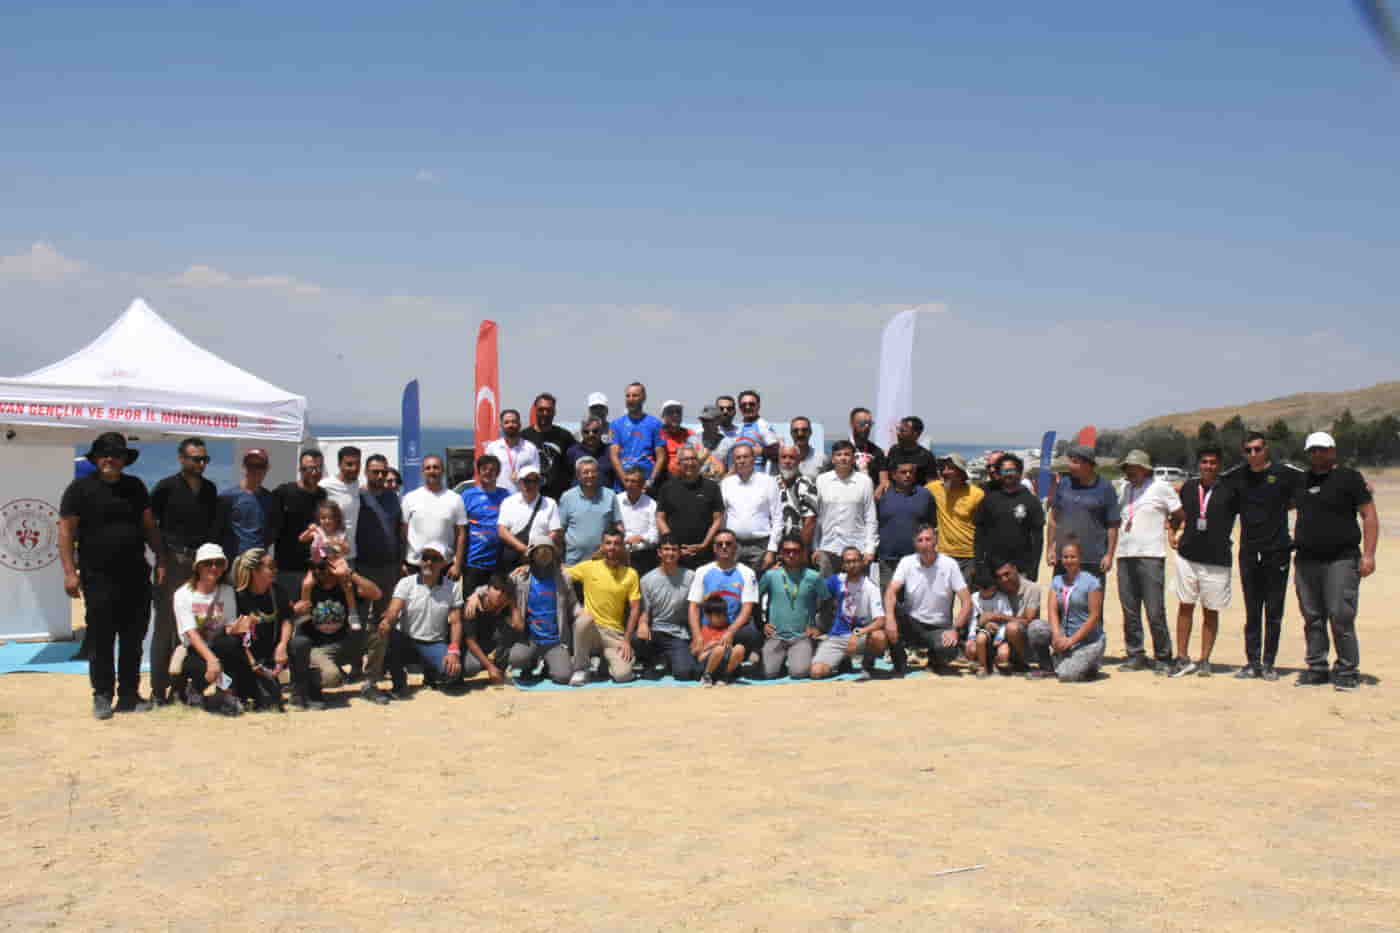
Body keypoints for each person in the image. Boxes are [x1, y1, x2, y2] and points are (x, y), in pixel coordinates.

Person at [59, 432, 165, 719]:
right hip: (97, 577)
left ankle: (129, 695)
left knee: (133, 639)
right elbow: (66, 531)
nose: (110, 459)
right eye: (104, 454)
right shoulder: (79, 489)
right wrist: (69, 572)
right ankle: (103, 695)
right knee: (101, 639)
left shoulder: (135, 486)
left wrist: (161, 559)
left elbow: (149, 526)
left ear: (124, 460)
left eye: (116, 455)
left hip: (136, 576)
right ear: (96, 459)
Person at [1291, 431, 1378, 692]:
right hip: (1306, 560)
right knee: (1312, 616)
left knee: (1341, 614)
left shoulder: (1350, 478)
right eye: (1313, 450)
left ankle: (1347, 670)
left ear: (1333, 450)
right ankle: (1317, 667)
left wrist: (1369, 555)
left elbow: (1369, 515)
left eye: (1322, 449)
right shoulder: (1301, 480)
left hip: (1341, 559)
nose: (1317, 454)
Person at [1227, 432, 1305, 680]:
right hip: (1249, 553)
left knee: (1273, 612)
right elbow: (1211, 483)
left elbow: (1315, 481)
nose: (1253, 454)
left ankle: (1269, 663)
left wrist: (1359, 483)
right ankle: (1252, 663)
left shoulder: (1285, 473)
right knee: (1252, 612)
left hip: (1277, 552)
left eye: (1257, 449)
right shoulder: (1238, 475)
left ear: (1266, 449)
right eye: (1248, 450)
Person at [149, 436, 219, 706]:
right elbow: (150, 526)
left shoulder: (210, 489)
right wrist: (161, 559)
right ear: (181, 459)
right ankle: (158, 690)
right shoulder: (165, 487)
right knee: (166, 626)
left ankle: (183, 688)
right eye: (196, 459)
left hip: (200, 565)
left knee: (194, 628)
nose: (201, 464)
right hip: (173, 562)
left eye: (205, 459)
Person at [383, 546, 501, 697]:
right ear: (420, 562)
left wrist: (453, 650)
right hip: (407, 639)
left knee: (453, 673)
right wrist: (387, 621)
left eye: (435, 559)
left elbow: (456, 622)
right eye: (425, 558)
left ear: (443, 563)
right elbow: (394, 610)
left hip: (434, 642)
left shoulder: (452, 587)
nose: (429, 563)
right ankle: (399, 685)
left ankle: (430, 675)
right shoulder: (406, 583)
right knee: (387, 636)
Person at [1167, 445, 1241, 678]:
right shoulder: (1189, 487)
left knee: (1210, 610)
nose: (1208, 466)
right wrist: (1171, 531)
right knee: (1185, 606)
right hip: (1188, 556)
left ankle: (1204, 659)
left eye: (1213, 462)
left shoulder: (1230, 490)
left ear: (1219, 466)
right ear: (1198, 464)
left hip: (1217, 559)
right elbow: (1176, 513)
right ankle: (1182, 657)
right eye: (1204, 462)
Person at [1112, 450, 1182, 674]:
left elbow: (1179, 513)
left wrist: (1171, 530)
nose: (1129, 471)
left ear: (1145, 469)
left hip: (1151, 555)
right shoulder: (1124, 489)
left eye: (1133, 467)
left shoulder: (1160, 487)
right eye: (1126, 468)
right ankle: (1135, 655)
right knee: (1129, 610)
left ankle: (1163, 657)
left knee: (1154, 610)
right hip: (1125, 555)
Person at [287, 562, 382, 709]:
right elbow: (295, 618)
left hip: (346, 642)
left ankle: (370, 685)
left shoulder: (346, 584)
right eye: (316, 568)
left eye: (325, 567)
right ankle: (308, 685)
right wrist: (304, 593)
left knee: (378, 633)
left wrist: (351, 574)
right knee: (332, 678)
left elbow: (376, 594)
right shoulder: (307, 585)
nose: (320, 571)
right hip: (319, 647)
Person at [172, 543, 251, 715]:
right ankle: (196, 688)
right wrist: (212, 660)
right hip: (195, 649)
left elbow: (228, 626)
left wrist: (238, 628)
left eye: (219, 563)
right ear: (198, 567)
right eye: (208, 563)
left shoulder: (227, 591)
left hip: (218, 644)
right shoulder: (182, 594)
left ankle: (225, 694)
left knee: (232, 644)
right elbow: (191, 634)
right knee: (203, 668)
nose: (214, 568)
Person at [884, 524, 971, 675]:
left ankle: (934, 659)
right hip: (912, 623)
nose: (924, 544)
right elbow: (890, 592)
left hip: (938, 627)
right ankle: (899, 661)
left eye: (928, 539)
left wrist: (955, 630)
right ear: (915, 543)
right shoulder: (906, 562)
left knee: (948, 648)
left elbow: (967, 601)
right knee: (888, 612)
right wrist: (890, 619)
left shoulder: (949, 565)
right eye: (920, 540)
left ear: (935, 541)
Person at [355, 454, 404, 703]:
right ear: (366, 473)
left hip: (388, 568)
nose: (380, 476)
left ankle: (372, 678)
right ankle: (356, 668)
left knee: (383, 622)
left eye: (384, 472)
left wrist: (400, 562)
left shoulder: (392, 498)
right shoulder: (358, 496)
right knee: (359, 621)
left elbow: (399, 531)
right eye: (375, 472)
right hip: (362, 568)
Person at [566, 529, 644, 685]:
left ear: (622, 547)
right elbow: (561, 574)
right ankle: (581, 668)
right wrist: (529, 567)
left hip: (614, 634)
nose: (612, 547)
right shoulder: (588, 567)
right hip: (591, 630)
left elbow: (635, 609)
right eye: (608, 543)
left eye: (616, 543)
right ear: (602, 546)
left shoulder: (631, 574)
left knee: (623, 675)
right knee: (583, 620)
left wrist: (627, 640)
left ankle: (604, 663)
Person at [501, 535, 577, 684]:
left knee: (563, 676)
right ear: (532, 555)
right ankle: (530, 664)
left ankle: (548, 666)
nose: (543, 554)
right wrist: (477, 595)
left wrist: (582, 614)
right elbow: (497, 586)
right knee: (516, 658)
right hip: (530, 639)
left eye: (547, 551)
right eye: (539, 551)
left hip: (555, 641)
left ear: (553, 554)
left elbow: (573, 604)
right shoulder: (521, 577)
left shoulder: (563, 578)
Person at [686, 528, 762, 668]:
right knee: (688, 671)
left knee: (752, 633)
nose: (724, 547)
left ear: (735, 547)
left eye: (728, 543)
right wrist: (697, 636)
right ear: (714, 548)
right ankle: (728, 658)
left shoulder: (747, 573)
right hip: (708, 629)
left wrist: (730, 632)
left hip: (734, 629)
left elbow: (747, 609)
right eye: (719, 544)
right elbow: (693, 606)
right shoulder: (702, 571)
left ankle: (730, 655)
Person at [811, 548, 890, 680]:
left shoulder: (871, 587)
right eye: (848, 562)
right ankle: (842, 661)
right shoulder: (836, 580)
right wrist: (811, 623)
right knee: (816, 672)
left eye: (855, 561)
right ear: (843, 565)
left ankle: (867, 665)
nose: (852, 565)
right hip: (838, 635)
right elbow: (812, 591)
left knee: (879, 636)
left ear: (862, 562)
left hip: (862, 636)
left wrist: (859, 632)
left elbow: (881, 620)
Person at [1044, 445, 1119, 582]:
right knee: (1063, 595)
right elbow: (1053, 519)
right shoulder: (1064, 484)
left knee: (1092, 596)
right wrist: (1050, 549)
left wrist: (1109, 555)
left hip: (1093, 558)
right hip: (1065, 556)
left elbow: (1112, 525)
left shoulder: (1105, 488)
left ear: (1088, 464)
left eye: (1075, 462)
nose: (1070, 466)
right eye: (1070, 461)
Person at [231, 548, 293, 711]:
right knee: (268, 703)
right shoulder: (238, 597)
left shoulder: (277, 591)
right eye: (270, 567)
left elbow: (287, 619)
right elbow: (237, 636)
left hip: (272, 655)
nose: (275, 570)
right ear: (255, 571)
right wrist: (253, 663)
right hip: (248, 659)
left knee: (300, 643)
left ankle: (300, 692)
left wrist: (282, 645)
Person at [1037, 539, 1106, 682]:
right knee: (1036, 627)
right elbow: (1052, 610)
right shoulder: (1057, 581)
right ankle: (1048, 667)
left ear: (1080, 558)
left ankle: (1091, 664)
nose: (1069, 560)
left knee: (1066, 675)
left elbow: (1094, 617)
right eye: (1065, 557)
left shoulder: (1092, 583)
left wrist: (1071, 641)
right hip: (1065, 635)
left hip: (1088, 641)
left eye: (1073, 557)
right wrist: (1057, 635)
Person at [756, 535, 824, 679]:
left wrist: (819, 627)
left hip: (802, 636)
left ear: (803, 553)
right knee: (768, 673)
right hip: (776, 635)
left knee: (799, 673)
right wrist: (761, 624)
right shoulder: (770, 575)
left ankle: (815, 647)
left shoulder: (813, 576)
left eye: (796, 551)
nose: (791, 555)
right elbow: (755, 599)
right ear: (780, 553)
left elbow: (828, 601)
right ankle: (777, 661)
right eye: (787, 551)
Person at [632, 536, 699, 680]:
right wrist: (642, 623)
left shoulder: (691, 577)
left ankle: (670, 659)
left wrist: (697, 636)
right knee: (636, 638)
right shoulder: (647, 580)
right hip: (655, 631)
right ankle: (648, 662)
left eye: (674, 549)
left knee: (684, 673)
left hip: (678, 633)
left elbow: (695, 609)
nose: (670, 553)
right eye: (666, 549)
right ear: (659, 552)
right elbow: (645, 611)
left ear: (679, 553)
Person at [974, 453, 1044, 582]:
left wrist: (1033, 570)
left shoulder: (1031, 501)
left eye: (1012, 470)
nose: (1008, 474)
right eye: (1004, 471)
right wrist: (979, 565)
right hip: (993, 568)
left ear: (1019, 472)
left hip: (1021, 569)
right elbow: (979, 536)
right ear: (999, 473)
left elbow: (1037, 539)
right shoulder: (989, 500)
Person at [815, 440, 879, 580]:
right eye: (839, 455)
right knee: (827, 591)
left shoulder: (865, 481)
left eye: (847, 454)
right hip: (828, 549)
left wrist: (870, 549)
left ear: (853, 458)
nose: (843, 458)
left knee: (857, 591)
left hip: (857, 550)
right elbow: (817, 517)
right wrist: (815, 547)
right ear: (833, 459)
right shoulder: (821, 480)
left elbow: (870, 517)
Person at [656, 445, 725, 570]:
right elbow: (660, 518)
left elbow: (718, 519)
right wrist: (673, 545)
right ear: (678, 463)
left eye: (693, 459)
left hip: (705, 554)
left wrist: (704, 544)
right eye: (686, 459)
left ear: (698, 462)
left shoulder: (712, 487)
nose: (690, 463)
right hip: (676, 556)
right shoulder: (667, 488)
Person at [719, 442, 783, 575]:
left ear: (753, 459)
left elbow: (778, 518)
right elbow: (721, 517)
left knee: (759, 584)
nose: (742, 461)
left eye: (745, 457)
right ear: (734, 461)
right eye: (738, 458)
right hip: (733, 546)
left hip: (760, 547)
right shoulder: (726, 483)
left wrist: (772, 550)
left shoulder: (768, 482)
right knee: (732, 584)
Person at [272, 449, 327, 602]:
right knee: (289, 612)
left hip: (315, 569)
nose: (314, 472)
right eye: (310, 468)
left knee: (311, 613)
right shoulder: (283, 492)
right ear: (301, 469)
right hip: (287, 570)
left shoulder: (322, 495)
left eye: (318, 468)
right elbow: (271, 527)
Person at [401, 454, 467, 578]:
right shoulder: (410, 498)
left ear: (443, 471)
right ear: (422, 472)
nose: (432, 471)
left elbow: (461, 534)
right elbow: (402, 533)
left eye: (436, 467)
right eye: (428, 468)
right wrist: (402, 562)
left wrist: (457, 565)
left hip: (445, 566)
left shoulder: (455, 499)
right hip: (415, 566)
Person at [877, 460, 937, 584]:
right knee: (889, 594)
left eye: (911, 472)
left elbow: (932, 524)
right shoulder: (882, 495)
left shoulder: (925, 495)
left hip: (917, 559)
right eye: (903, 472)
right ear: (894, 475)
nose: (908, 475)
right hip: (888, 560)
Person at [926, 453, 983, 581]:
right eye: (942, 468)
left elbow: (985, 528)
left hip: (970, 556)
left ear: (961, 472)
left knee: (967, 593)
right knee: (943, 593)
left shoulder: (976, 494)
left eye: (950, 468)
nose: (945, 472)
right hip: (943, 555)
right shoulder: (934, 488)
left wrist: (980, 559)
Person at [460, 453, 511, 593]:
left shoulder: (506, 496)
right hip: (473, 563)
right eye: (484, 469)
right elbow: (459, 529)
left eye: (492, 469)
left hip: (498, 564)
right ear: (478, 471)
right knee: (471, 604)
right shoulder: (467, 496)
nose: (488, 472)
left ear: (498, 473)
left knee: (496, 603)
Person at [217, 447, 275, 563]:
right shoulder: (226, 497)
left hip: (259, 562)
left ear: (267, 468)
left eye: (260, 466)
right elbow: (218, 531)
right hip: (234, 563)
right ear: (244, 466)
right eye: (250, 465)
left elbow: (272, 532)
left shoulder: (271, 499)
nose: (255, 470)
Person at [497, 466, 563, 567]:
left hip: (540, 559)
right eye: (526, 481)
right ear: (519, 482)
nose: (531, 484)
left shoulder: (550, 503)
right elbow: (502, 531)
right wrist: (523, 549)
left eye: (535, 481)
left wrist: (538, 549)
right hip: (514, 557)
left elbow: (555, 531)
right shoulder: (508, 502)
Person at [558, 456, 619, 565]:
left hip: (603, 561)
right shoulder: (567, 497)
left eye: (593, 472)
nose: (590, 475)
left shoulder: (610, 495)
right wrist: (560, 560)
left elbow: (618, 526)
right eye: (585, 472)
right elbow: (560, 531)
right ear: (578, 476)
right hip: (574, 562)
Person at [990, 560, 1046, 676]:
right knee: (1002, 655)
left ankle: (1023, 660)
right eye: (1000, 577)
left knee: (1012, 628)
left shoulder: (1032, 588)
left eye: (1007, 574)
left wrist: (999, 616)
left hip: (1024, 637)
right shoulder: (996, 589)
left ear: (1015, 569)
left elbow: (1029, 620)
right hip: (1001, 635)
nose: (1004, 579)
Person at [457, 574, 514, 687]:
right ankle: (488, 665)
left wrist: (512, 603)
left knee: (508, 631)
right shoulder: (472, 607)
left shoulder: (503, 606)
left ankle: (499, 670)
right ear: (487, 590)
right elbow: (470, 642)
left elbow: (518, 625)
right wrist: (489, 667)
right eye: (496, 588)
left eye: (503, 591)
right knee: (471, 667)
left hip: (485, 642)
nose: (499, 593)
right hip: (467, 646)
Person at [608, 382, 666, 489]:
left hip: (646, 485)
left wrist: (650, 481)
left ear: (643, 398)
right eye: (628, 396)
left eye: (635, 395)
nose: (630, 399)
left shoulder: (655, 424)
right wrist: (626, 482)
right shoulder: (616, 424)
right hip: (622, 486)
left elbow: (661, 456)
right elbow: (613, 455)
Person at [523, 392, 578, 502]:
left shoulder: (565, 436)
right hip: (530, 498)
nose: (545, 413)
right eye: (541, 409)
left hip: (559, 499)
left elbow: (577, 462)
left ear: (554, 412)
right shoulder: (524, 437)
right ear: (535, 410)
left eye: (549, 410)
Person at [966, 568, 1014, 678]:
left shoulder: (1002, 598)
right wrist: (971, 636)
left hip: (999, 632)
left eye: (990, 589)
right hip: (982, 631)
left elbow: (1007, 619)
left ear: (994, 588)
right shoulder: (974, 598)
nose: (985, 592)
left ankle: (993, 664)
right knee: (976, 643)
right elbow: (973, 620)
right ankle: (982, 667)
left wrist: (1000, 636)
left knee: (1004, 654)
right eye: (982, 589)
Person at [318, 446, 363, 564]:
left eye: (358, 464)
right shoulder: (325, 486)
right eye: (349, 464)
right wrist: (325, 553)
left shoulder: (356, 485)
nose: (354, 468)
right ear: (339, 464)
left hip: (350, 555)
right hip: (329, 557)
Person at [484, 409, 540, 495]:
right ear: (501, 425)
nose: (510, 425)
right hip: (498, 497)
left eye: (514, 422)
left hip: (523, 497)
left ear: (520, 424)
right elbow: (486, 474)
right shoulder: (492, 448)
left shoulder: (530, 448)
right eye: (506, 422)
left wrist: (521, 477)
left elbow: (536, 475)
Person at [616, 466, 660, 577]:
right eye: (627, 480)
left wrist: (641, 538)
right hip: (619, 554)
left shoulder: (651, 504)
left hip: (644, 557)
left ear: (642, 484)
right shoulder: (616, 501)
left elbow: (655, 534)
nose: (629, 484)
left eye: (633, 481)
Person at [774, 444, 818, 555]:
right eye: (784, 457)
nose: (787, 461)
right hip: (774, 547)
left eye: (791, 457)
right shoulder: (772, 484)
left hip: (796, 551)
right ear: (778, 460)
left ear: (799, 461)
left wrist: (802, 551)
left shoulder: (806, 484)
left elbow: (810, 522)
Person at [694, 595, 746, 686]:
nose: (722, 618)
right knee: (719, 650)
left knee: (740, 648)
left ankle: (725, 676)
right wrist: (710, 647)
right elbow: (699, 658)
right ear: (708, 616)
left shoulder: (729, 631)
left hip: (724, 665)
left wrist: (728, 646)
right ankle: (706, 676)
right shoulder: (703, 631)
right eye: (718, 616)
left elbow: (733, 653)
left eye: (724, 615)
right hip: (707, 665)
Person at [882, 416, 938, 495]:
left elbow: (932, 484)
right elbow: (886, 472)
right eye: (898, 429)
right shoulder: (894, 450)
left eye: (903, 431)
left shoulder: (926, 456)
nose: (898, 433)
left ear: (915, 434)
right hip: (894, 496)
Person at [730, 390, 780, 471]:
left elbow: (777, 452)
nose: (747, 407)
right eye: (744, 405)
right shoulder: (738, 428)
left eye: (751, 404)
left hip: (757, 475)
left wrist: (762, 451)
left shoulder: (763, 426)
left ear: (758, 406)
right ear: (739, 407)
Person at [566, 417, 618, 491]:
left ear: (601, 432)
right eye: (586, 432)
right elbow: (567, 476)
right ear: (581, 433)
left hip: (605, 496)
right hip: (578, 496)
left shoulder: (610, 451)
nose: (591, 434)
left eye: (595, 431)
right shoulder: (572, 452)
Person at [655, 399, 697, 486]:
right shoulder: (657, 434)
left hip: (686, 478)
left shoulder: (689, 434)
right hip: (662, 479)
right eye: (670, 412)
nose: (675, 415)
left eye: (678, 412)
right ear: (663, 416)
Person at [848, 407, 889, 490]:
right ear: (852, 424)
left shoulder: (877, 451)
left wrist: (880, 488)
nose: (867, 427)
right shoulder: (843, 450)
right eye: (862, 423)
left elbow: (884, 481)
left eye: (870, 424)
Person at [784, 415, 829, 480]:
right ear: (791, 433)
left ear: (810, 432)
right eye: (796, 430)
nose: (800, 434)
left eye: (804, 430)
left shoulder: (822, 459)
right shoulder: (782, 459)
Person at [696, 404, 734, 480]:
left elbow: (732, 470)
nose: (705, 423)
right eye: (703, 420)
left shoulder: (728, 444)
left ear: (718, 421)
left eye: (709, 420)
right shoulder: (693, 440)